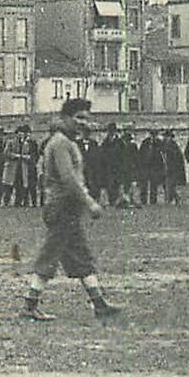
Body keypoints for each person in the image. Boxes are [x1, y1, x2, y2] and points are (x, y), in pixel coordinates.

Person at [22, 97, 120, 321]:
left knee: (81, 257)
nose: (83, 123)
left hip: (69, 208)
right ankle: (29, 305)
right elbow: (69, 179)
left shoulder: (66, 142)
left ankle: (99, 303)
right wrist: (90, 202)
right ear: (65, 118)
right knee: (51, 255)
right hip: (62, 207)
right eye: (79, 118)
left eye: (87, 119)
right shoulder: (60, 144)